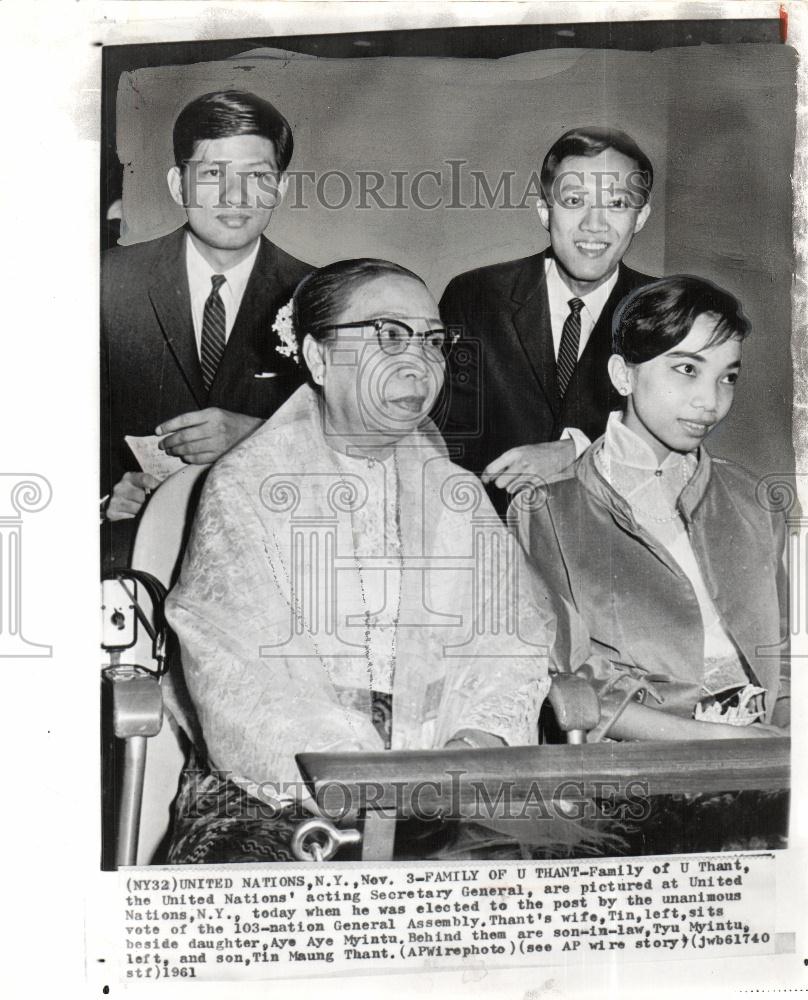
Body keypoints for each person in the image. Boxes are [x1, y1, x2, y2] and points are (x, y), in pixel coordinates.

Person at [164, 259, 553, 863]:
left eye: (432, 341)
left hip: (447, 772)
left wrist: (475, 741)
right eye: (388, 335)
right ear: (318, 359)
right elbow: (234, 671)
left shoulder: (457, 493)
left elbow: (512, 641)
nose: (419, 362)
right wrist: (367, 777)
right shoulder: (247, 486)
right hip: (291, 785)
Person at [517, 275, 790, 741]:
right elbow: (567, 684)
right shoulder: (548, 507)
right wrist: (727, 742)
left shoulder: (753, 498)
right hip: (642, 771)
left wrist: (785, 733)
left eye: (727, 377)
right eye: (686, 369)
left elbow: (786, 659)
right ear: (623, 374)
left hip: (768, 750)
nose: (710, 401)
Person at [102, 90, 313, 567]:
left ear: (280, 188)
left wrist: (257, 436)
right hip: (129, 558)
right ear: (178, 185)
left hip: (272, 561)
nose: (235, 197)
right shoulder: (104, 283)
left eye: (257, 176)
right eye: (213, 174)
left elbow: (358, 444)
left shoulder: (320, 297)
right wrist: (104, 497)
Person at [436, 126, 655, 517]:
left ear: (640, 217)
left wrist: (579, 450)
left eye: (618, 204)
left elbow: (681, 437)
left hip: (615, 544)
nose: (594, 224)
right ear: (544, 210)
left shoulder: (665, 310)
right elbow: (443, 437)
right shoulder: (474, 296)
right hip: (491, 537)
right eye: (574, 200)